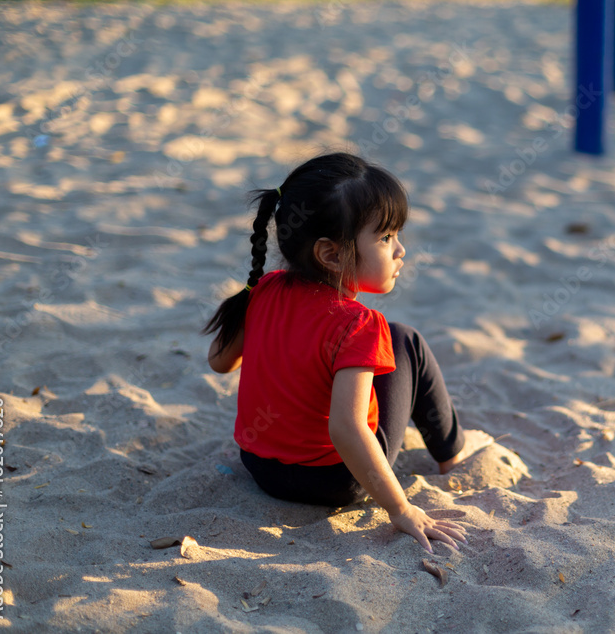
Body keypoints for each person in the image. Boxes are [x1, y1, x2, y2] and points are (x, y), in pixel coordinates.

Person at [202, 152, 491, 553]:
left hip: (260, 466)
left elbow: (219, 362)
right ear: (331, 254)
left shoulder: (265, 288)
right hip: (335, 480)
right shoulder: (357, 323)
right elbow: (347, 428)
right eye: (386, 238)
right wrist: (402, 509)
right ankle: (451, 455)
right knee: (405, 340)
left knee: (379, 347)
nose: (400, 250)